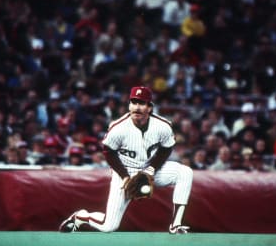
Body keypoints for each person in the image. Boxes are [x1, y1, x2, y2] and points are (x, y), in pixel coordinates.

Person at [59, 86, 193, 234]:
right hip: (124, 170)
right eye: (134, 102)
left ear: (149, 107)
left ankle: (176, 225)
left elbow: (167, 147)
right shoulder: (118, 128)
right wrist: (124, 176)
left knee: (185, 172)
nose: (137, 107)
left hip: (150, 167)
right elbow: (108, 151)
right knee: (108, 226)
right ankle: (80, 217)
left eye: (142, 103)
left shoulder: (162, 126)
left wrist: (152, 168)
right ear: (129, 105)